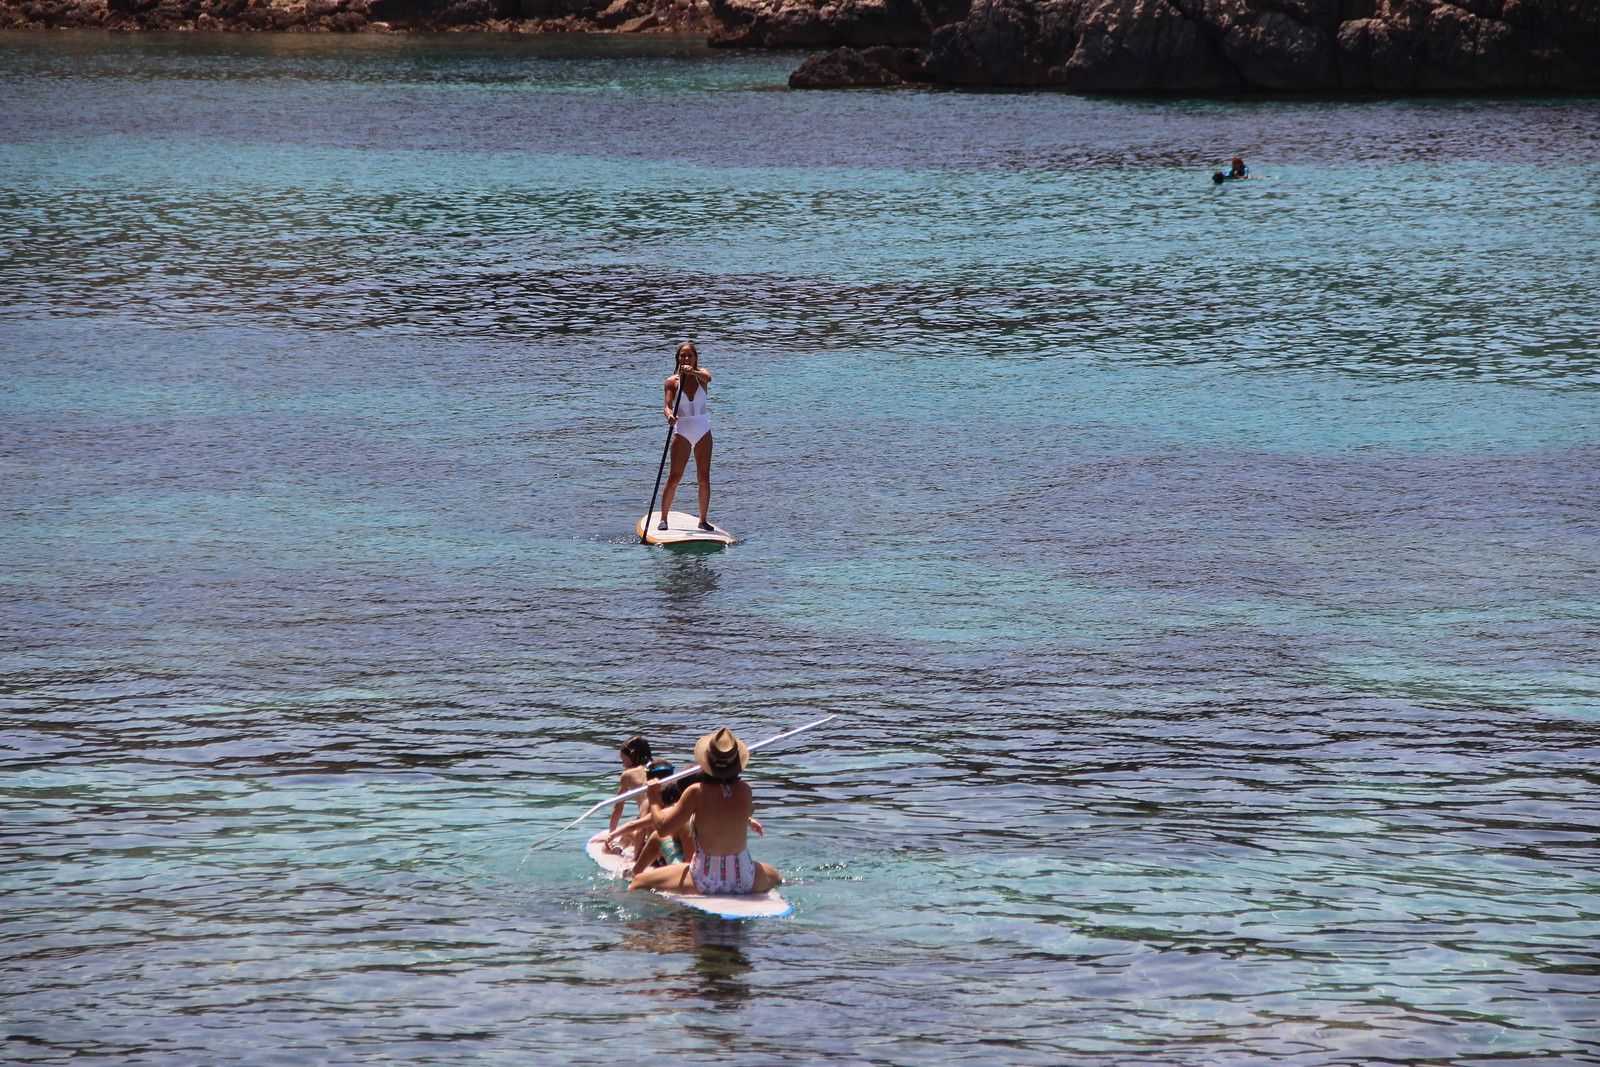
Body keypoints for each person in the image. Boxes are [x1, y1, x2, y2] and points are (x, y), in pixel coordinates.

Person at [628, 728, 781, 896]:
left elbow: (663, 828)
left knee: (638, 882)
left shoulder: (695, 792)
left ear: (706, 762)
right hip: (745, 878)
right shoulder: (745, 790)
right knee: (777, 877)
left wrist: (654, 799)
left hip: (705, 880)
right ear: (736, 762)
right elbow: (734, 813)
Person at [658, 342, 715, 532]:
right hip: (682, 430)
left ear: (695, 358)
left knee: (703, 477)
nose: (686, 359)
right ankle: (663, 519)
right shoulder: (672, 382)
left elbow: (708, 377)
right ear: (678, 358)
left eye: (689, 355)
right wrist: (669, 416)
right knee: (674, 477)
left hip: (702, 430)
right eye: (683, 356)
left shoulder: (702, 376)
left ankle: (703, 520)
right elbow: (667, 406)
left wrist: (693, 372)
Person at [607, 735, 672, 855]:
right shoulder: (660, 768)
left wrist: (611, 834)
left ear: (632, 757)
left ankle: (619, 848)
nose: (623, 764)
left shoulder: (628, 774)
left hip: (648, 830)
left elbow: (618, 807)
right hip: (666, 825)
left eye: (623, 760)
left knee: (625, 835)